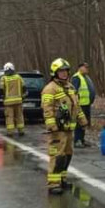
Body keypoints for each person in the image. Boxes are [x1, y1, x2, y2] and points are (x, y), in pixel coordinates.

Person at [41, 58, 87, 194]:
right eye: (61, 71)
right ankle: (53, 183)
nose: (64, 74)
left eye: (66, 71)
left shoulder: (70, 87)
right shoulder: (50, 89)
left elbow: (76, 106)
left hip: (68, 129)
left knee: (67, 155)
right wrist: (52, 125)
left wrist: (82, 120)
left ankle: (62, 179)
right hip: (57, 130)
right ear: (55, 73)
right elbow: (47, 109)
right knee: (57, 156)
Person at [71, 62, 96, 147]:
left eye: (87, 68)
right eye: (85, 67)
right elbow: (74, 91)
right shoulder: (76, 77)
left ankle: (82, 139)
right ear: (80, 68)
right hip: (80, 105)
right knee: (79, 123)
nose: (87, 69)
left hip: (86, 104)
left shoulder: (85, 77)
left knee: (84, 123)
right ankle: (77, 140)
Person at [0, 63, 25, 136]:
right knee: (19, 116)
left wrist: (2, 98)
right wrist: (23, 97)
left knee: (9, 117)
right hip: (18, 101)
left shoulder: (3, 78)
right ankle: (21, 130)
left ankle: (10, 132)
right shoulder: (18, 77)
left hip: (8, 102)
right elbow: (24, 87)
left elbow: (1, 90)